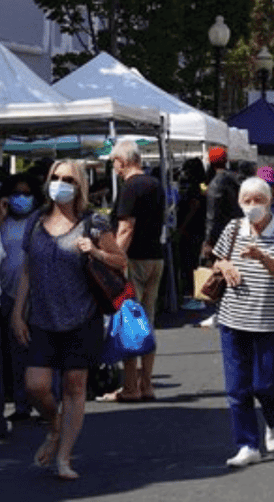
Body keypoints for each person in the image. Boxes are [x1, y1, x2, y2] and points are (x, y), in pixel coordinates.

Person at [12, 160, 128, 479]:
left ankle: (64, 457)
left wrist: (95, 251)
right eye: (56, 178)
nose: (60, 183)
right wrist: (17, 313)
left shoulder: (93, 223)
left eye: (68, 179)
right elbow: (26, 271)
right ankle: (55, 426)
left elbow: (121, 261)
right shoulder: (36, 222)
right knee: (35, 386)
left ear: (80, 187)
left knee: (74, 387)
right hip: (42, 318)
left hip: (82, 317)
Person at [213, 176, 274, 468]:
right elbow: (217, 259)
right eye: (246, 201)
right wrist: (224, 265)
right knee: (237, 388)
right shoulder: (233, 228)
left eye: (257, 200)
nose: (252, 206)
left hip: (268, 320)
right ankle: (247, 444)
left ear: (269, 201)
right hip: (233, 317)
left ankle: (273, 419)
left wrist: (260, 255)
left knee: (263, 383)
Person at [99, 139, 166, 404]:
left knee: (129, 322)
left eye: (114, 161)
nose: (114, 167)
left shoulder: (130, 187)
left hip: (134, 259)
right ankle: (146, 383)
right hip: (156, 258)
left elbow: (126, 228)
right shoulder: (155, 184)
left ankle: (130, 387)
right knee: (147, 322)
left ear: (123, 161)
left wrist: (115, 258)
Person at [1, 174, 45, 428]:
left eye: (26, 193)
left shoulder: (38, 221)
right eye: (16, 193)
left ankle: (45, 402)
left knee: (39, 352)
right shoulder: (4, 222)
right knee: (15, 354)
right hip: (7, 294)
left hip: (36, 295)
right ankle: (21, 404)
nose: (21, 198)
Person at [175, 157, 207, 306]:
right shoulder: (201, 186)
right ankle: (195, 295)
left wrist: (182, 228)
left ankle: (194, 295)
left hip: (191, 229)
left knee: (190, 264)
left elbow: (193, 207)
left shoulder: (193, 187)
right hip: (197, 228)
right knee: (192, 263)